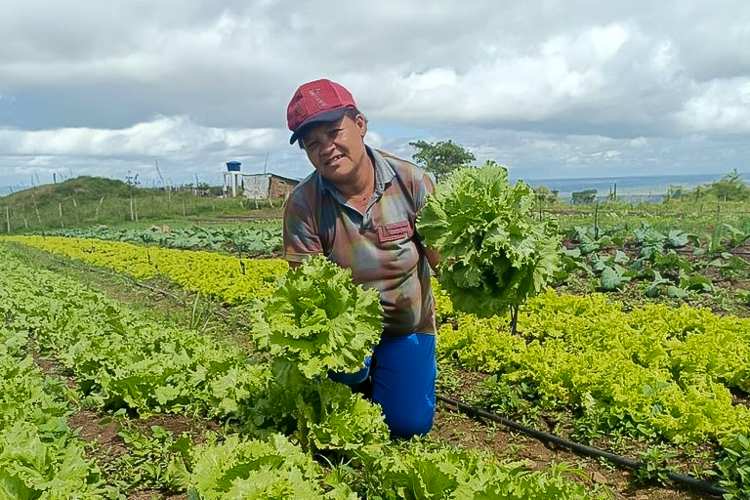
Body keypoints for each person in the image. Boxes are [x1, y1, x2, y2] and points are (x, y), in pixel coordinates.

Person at [283, 78, 440, 438]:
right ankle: (358, 377)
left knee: (408, 425)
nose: (327, 148)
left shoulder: (411, 181)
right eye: (313, 144)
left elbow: (442, 258)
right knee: (346, 382)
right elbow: (307, 292)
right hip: (347, 335)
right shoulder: (304, 203)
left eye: (334, 132)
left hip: (407, 327)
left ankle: (397, 376)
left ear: (360, 124)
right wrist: (342, 341)